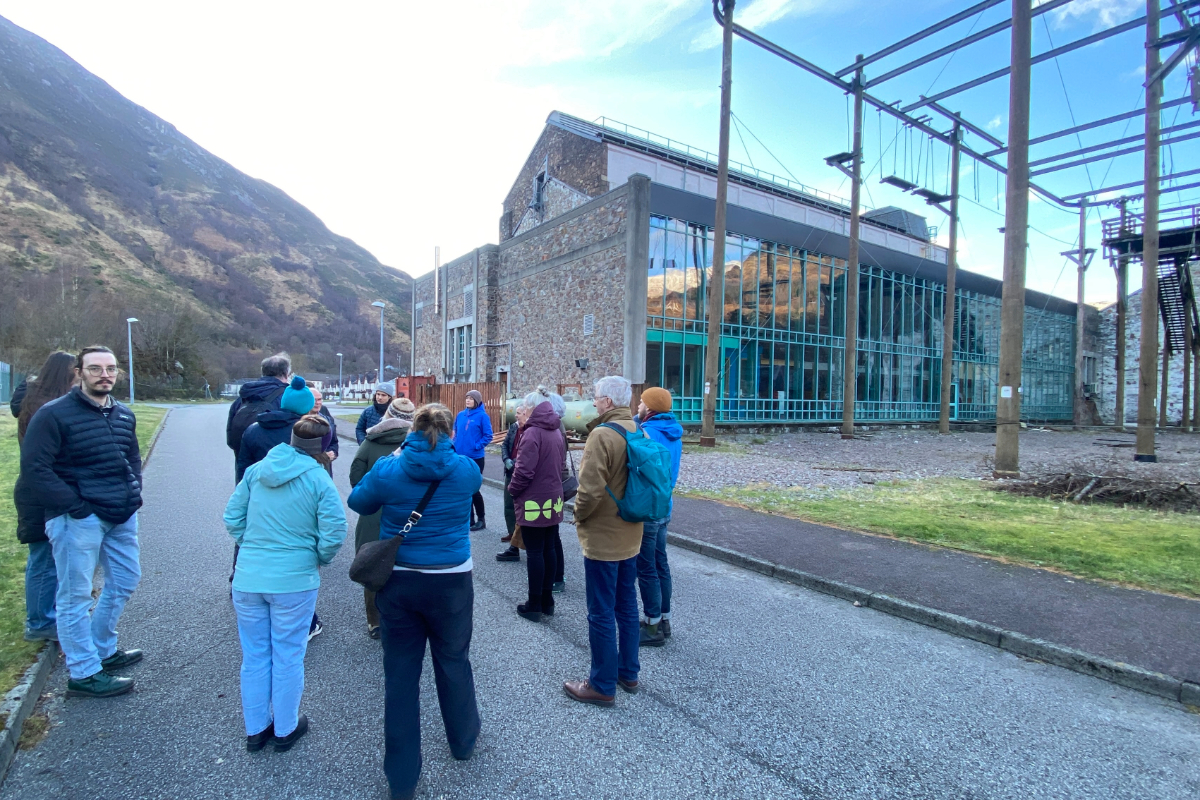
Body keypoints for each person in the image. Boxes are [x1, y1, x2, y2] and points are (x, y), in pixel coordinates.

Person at [348, 404, 481, 800]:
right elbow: (465, 478)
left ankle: (402, 778)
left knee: (401, 676)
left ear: (412, 429)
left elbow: (358, 502)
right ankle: (462, 742)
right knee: (454, 660)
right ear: (448, 429)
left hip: (400, 581)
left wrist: (388, 461)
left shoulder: (392, 468)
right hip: (452, 580)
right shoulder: (465, 470)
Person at [20, 346, 144, 698]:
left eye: (111, 368)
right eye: (95, 368)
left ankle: (102, 649)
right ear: (79, 372)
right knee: (74, 596)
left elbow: (131, 457)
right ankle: (84, 673)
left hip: (121, 515)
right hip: (78, 519)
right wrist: (75, 507)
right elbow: (36, 469)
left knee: (125, 580)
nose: (104, 374)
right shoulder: (53, 415)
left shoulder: (123, 414)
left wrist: (134, 491)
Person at [224, 415, 346, 753]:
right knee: (288, 655)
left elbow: (232, 517)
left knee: (255, 655)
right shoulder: (319, 480)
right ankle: (286, 728)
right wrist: (318, 557)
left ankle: (255, 728)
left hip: (249, 577)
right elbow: (334, 531)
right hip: (294, 579)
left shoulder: (257, 471)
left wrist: (251, 545)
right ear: (322, 446)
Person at [563, 376, 643, 708]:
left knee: (600, 612)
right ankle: (628, 672)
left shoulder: (601, 435)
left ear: (608, 402)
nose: (593, 402)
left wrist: (578, 515)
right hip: (631, 532)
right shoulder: (638, 429)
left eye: (596, 398)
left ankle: (601, 684)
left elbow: (590, 489)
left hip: (604, 538)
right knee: (626, 607)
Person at [235, 376, 326, 640]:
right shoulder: (305, 435)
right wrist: (322, 551)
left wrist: (245, 531)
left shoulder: (253, 429)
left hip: (259, 506)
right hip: (298, 511)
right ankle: (305, 623)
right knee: (293, 570)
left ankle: (266, 616)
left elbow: (242, 471)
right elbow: (319, 480)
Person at [12, 351, 76, 643]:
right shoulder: (47, 409)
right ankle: (39, 622)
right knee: (43, 557)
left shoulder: (34, 401)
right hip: (40, 490)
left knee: (48, 557)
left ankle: (45, 615)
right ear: (66, 374)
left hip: (39, 487)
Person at [348, 396, 415, 639]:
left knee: (372, 565)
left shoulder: (370, 441)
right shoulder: (416, 444)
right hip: (409, 513)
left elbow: (355, 477)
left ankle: (374, 621)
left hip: (374, 512)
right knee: (406, 566)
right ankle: (403, 617)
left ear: (388, 415)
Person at [507, 392, 566, 622]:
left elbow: (524, 471)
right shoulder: (556, 430)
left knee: (534, 552)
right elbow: (561, 465)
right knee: (548, 548)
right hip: (553, 498)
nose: (521, 409)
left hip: (534, 501)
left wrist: (513, 490)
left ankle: (534, 604)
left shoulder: (532, 433)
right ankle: (547, 600)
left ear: (531, 409)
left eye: (523, 406)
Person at [634, 388, 683, 647]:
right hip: (666, 505)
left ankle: (652, 626)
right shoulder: (673, 432)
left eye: (642, 401)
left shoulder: (648, 433)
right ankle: (664, 619)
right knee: (661, 563)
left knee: (647, 567)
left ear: (650, 408)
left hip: (649, 507)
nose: (638, 405)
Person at [236, 376, 315, 483]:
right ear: (308, 407)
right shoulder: (309, 432)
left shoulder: (253, 429)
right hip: (298, 494)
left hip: (260, 491)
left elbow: (243, 469)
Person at [227, 353, 291, 459]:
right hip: (277, 462)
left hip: (245, 461)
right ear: (286, 374)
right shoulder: (287, 397)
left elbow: (231, 438)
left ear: (263, 372)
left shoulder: (243, 397)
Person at [495, 402, 530, 564]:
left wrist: (514, 462)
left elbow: (527, 453)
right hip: (510, 472)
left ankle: (524, 544)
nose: (515, 415)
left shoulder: (531, 431)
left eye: (519, 412)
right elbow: (504, 446)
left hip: (522, 474)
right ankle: (513, 541)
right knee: (508, 506)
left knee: (522, 510)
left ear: (526, 413)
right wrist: (506, 460)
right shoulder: (514, 427)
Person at [453, 390, 493, 532]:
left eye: (471, 398)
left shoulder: (482, 416)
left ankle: (481, 519)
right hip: (460, 457)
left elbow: (488, 435)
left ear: (476, 401)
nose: (468, 400)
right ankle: (469, 519)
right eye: (467, 398)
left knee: (474, 489)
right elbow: (455, 432)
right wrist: (454, 446)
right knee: (463, 489)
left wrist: (476, 446)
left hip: (475, 458)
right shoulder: (460, 415)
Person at [310, 388, 339, 464]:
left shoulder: (328, 420)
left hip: (325, 467)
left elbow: (334, 442)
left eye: (319, 399)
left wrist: (333, 453)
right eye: (314, 400)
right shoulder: (300, 422)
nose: (317, 403)